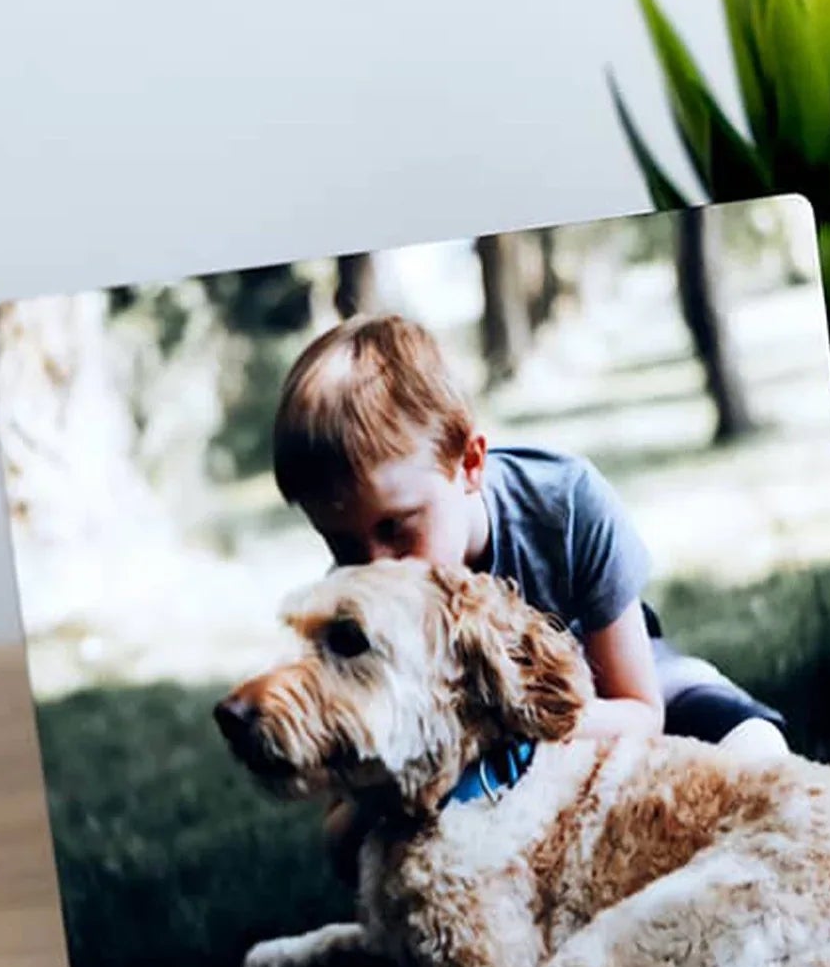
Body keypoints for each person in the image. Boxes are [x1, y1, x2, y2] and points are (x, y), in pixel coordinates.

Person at [270, 312, 788, 762]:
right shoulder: (354, 596)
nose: (376, 565)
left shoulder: (565, 503)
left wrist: (493, 730)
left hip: (611, 686)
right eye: (343, 546)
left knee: (754, 743)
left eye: (395, 527)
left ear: (470, 463)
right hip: (462, 745)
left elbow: (640, 712)